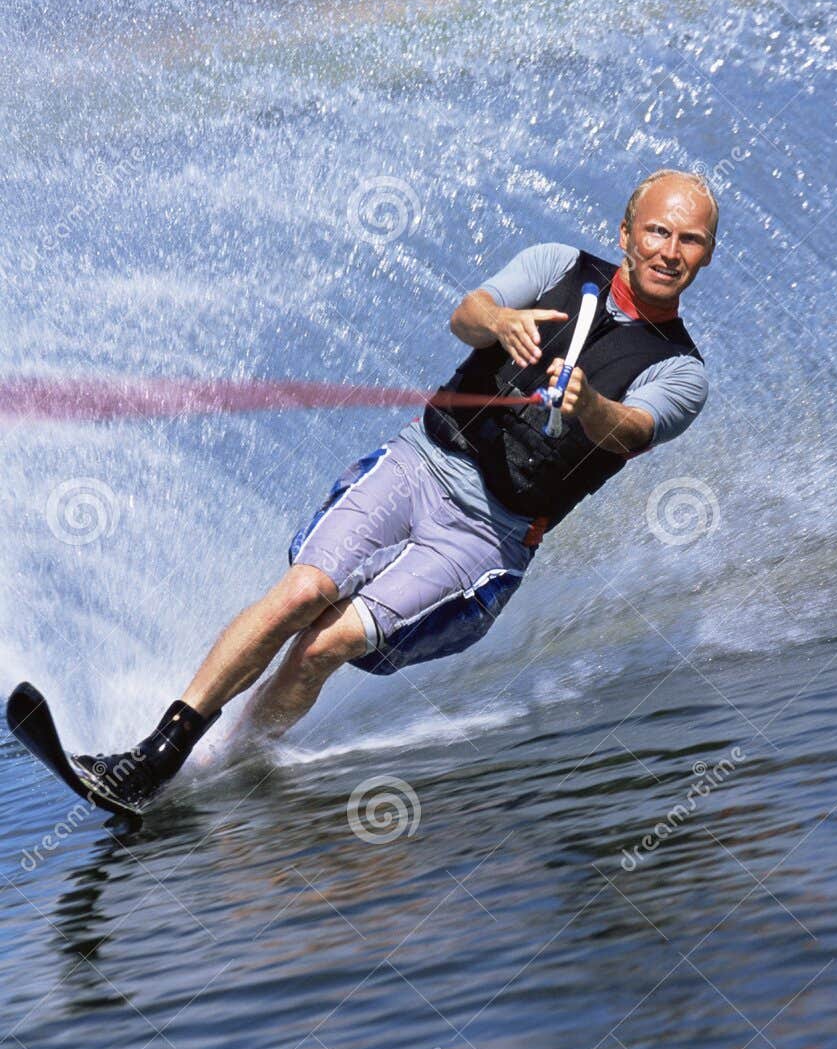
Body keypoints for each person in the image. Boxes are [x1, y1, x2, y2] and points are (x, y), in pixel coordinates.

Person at [78, 168, 718, 809]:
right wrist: (499, 321)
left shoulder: (680, 369)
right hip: (421, 461)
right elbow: (464, 316)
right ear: (626, 231)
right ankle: (156, 757)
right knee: (303, 592)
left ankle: (225, 766)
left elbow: (632, 430)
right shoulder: (558, 265)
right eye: (657, 230)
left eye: (688, 240)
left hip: (489, 536)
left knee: (327, 643)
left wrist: (588, 406)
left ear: (706, 254)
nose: (668, 250)